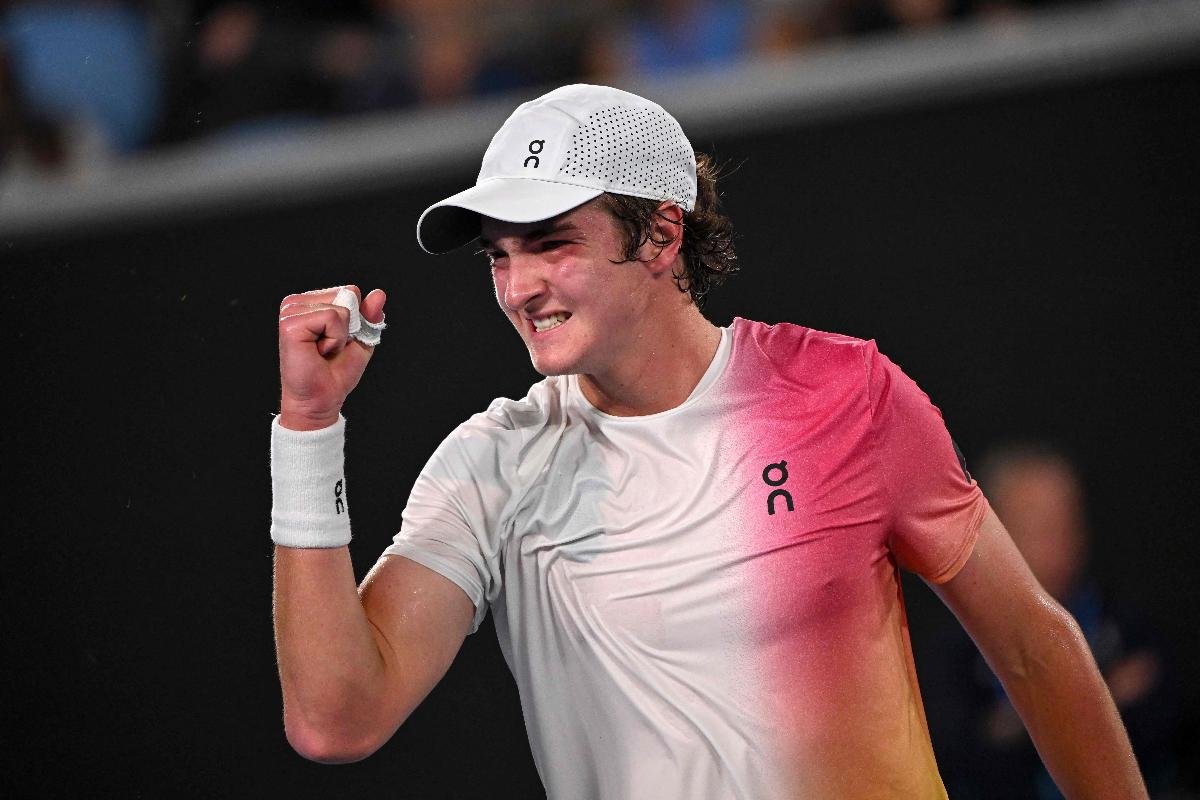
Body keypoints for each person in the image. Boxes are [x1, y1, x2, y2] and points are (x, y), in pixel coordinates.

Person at [271, 84, 1147, 798]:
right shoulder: (491, 465)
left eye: (551, 244)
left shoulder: (848, 394)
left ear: (661, 233)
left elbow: (1033, 647)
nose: (519, 286)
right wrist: (309, 430)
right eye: (500, 255)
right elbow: (335, 720)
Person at [921, 442, 1179, 799]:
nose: (1059, 542)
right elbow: (964, 755)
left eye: (1067, 522)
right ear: (993, 532)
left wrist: (1022, 720)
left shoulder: (1124, 626)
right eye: (1038, 527)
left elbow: (1165, 727)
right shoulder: (953, 650)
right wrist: (1102, 698)